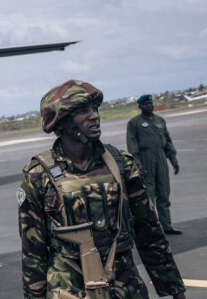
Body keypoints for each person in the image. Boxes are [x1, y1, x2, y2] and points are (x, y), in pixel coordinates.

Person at [18, 80, 186, 299]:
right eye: (82, 111)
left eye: (94, 109)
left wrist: (174, 289)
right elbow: (33, 253)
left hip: (126, 290)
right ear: (62, 121)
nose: (94, 116)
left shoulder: (121, 163)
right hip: (69, 291)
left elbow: (149, 232)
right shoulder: (38, 175)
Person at [126, 94, 182, 235]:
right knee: (148, 196)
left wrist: (173, 161)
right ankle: (150, 229)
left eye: (150, 103)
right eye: (145, 104)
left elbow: (168, 142)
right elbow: (132, 145)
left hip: (161, 160)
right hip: (146, 161)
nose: (149, 106)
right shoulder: (134, 123)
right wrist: (137, 163)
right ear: (140, 106)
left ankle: (167, 226)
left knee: (164, 194)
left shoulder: (160, 121)